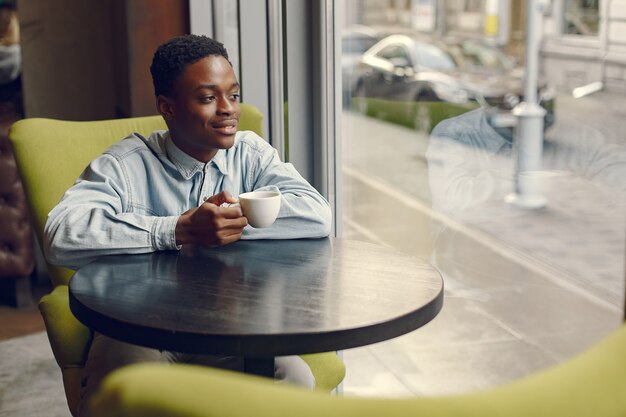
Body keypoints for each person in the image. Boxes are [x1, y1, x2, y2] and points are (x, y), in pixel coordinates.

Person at [43, 34, 332, 416]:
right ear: (168, 107)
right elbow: (61, 234)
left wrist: (235, 221)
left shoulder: (250, 153)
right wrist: (178, 230)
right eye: (209, 98)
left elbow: (317, 212)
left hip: (228, 328)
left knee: (292, 378)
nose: (229, 109)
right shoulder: (125, 164)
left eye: (234, 94)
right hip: (137, 330)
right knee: (122, 399)